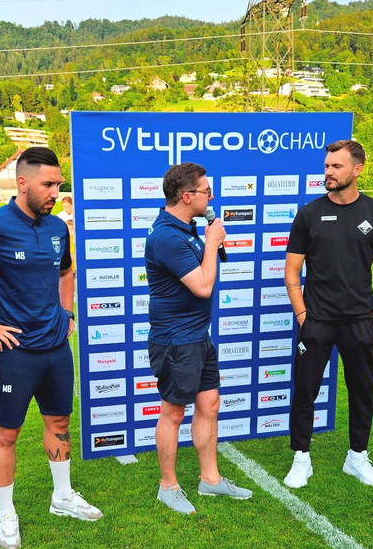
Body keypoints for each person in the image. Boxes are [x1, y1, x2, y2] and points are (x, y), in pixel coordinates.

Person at [0, 147, 101, 549]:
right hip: (16, 352)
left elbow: (67, 272)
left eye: (59, 184)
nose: (55, 192)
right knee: (6, 435)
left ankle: (62, 496)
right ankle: (6, 512)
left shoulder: (57, 228)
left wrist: (66, 312)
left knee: (59, 425)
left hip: (56, 349)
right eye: (48, 184)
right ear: (23, 182)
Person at [281, 140, 373, 489]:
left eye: (336, 166)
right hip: (317, 321)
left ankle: (357, 457)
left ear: (358, 169)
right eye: (327, 166)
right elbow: (291, 272)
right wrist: (304, 316)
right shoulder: (309, 213)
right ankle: (301, 458)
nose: (328, 172)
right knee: (305, 392)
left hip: (360, 323)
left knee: (362, 391)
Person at [145, 161, 253, 514]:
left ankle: (210, 480)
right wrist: (212, 243)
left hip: (197, 337)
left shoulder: (186, 228)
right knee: (173, 413)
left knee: (209, 406)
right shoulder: (166, 236)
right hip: (176, 341)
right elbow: (203, 286)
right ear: (187, 195)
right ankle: (168, 486)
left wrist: (207, 241)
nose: (211, 196)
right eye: (207, 191)